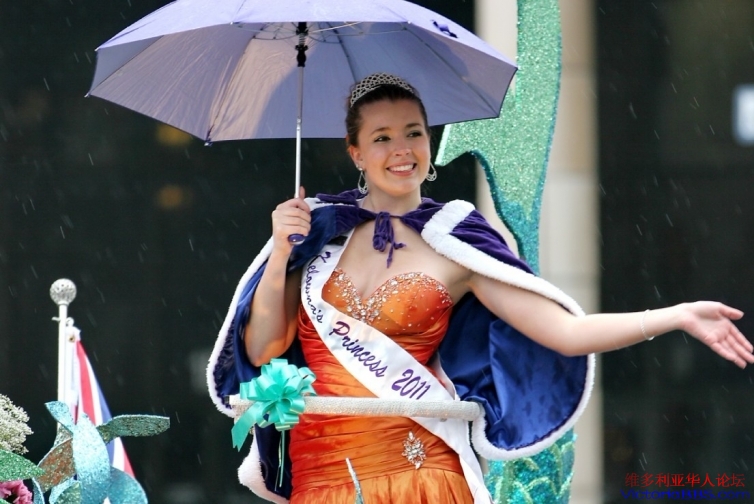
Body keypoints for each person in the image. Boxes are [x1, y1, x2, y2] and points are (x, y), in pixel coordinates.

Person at [207, 73, 754, 504]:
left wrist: (674, 316)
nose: (402, 149)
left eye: (414, 133)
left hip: (422, 476)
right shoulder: (318, 231)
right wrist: (281, 253)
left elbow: (565, 332)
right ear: (355, 153)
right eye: (382, 138)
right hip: (321, 473)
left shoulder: (454, 238)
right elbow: (263, 348)